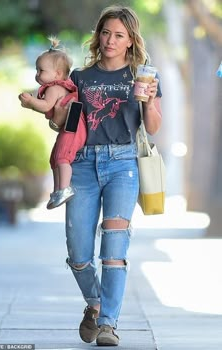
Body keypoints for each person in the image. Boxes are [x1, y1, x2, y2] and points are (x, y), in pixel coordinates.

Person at [53, 5, 162, 347]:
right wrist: (54, 112)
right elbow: (66, 123)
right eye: (106, 33)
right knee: (78, 254)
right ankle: (97, 303)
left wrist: (147, 102)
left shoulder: (140, 76)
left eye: (119, 35)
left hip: (123, 164)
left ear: (130, 41)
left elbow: (154, 125)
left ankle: (108, 325)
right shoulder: (81, 79)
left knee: (114, 248)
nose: (111, 40)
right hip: (83, 165)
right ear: (98, 36)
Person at [18, 37, 86, 209]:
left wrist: (31, 103)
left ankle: (64, 189)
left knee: (63, 157)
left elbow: (47, 106)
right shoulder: (54, 87)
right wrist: (33, 104)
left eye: (41, 70)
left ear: (57, 74)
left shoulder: (55, 88)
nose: (37, 74)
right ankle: (57, 190)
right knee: (54, 158)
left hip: (74, 128)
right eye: (36, 69)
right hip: (68, 127)